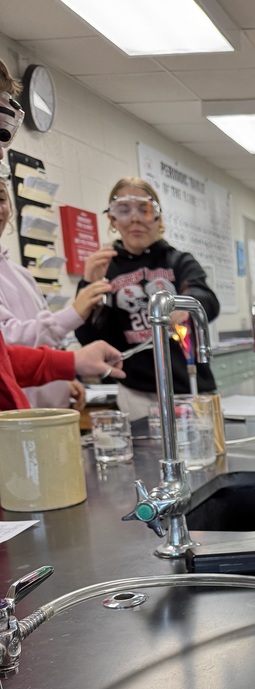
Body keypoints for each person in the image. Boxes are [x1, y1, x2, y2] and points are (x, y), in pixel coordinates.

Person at [0, 60, 125, 410]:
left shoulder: (18, 275)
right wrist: (74, 315)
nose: (1, 149)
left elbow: (6, 358)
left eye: (5, 125)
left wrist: (65, 366)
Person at [75, 177, 220, 421]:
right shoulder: (106, 269)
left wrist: (185, 306)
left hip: (188, 387)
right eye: (124, 210)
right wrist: (88, 284)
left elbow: (207, 300)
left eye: (145, 210)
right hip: (137, 392)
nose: (135, 219)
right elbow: (89, 337)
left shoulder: (179, 262)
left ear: (159, 219)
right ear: (112, 220)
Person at [0, 175, 112, 410]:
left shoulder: (21, 275)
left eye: (1, 199)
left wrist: (62, 378)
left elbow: (44, 346)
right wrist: (74, 314)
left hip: (50, 412)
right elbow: (8, 347)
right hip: (18, 418)